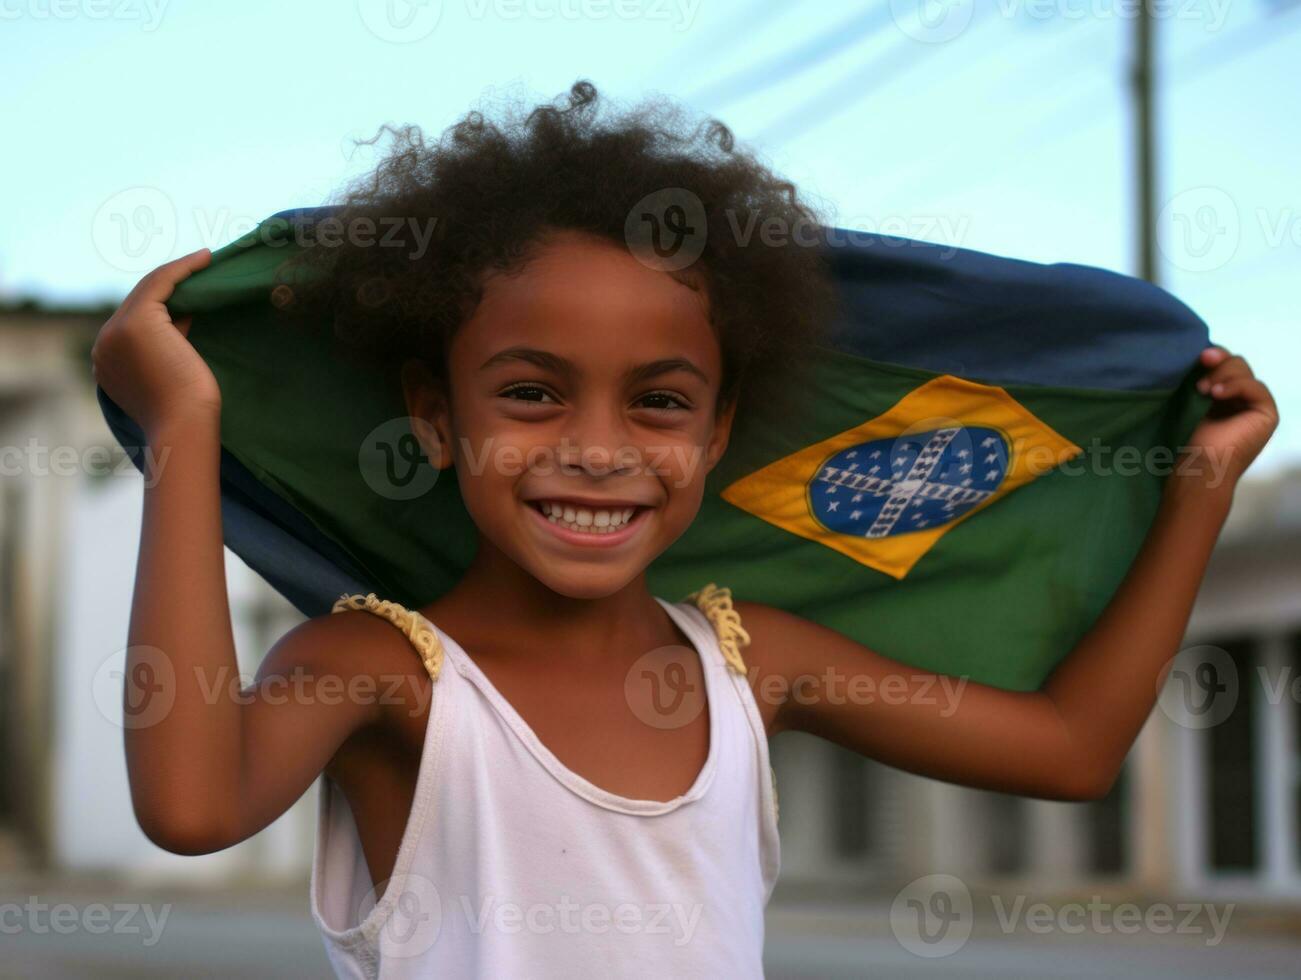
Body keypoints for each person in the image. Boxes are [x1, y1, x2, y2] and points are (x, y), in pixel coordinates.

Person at [89, 81, 1278, 977]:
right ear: (433, 418)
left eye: (657, 401)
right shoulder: (382, 669)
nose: (599, 448)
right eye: (531, 391)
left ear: (715, 438)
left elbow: (1068, 748)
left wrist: (1197, 487)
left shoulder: (750, 658)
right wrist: (186, 422)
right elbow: (192, 808)